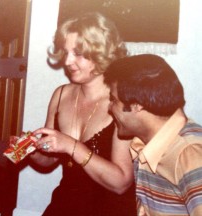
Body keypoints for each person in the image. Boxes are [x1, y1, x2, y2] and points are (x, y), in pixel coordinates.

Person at [31, 12, 136, 215]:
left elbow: (121, 182)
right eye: (66, 51)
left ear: (101, 52)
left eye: (78, 53)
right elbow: (50, 159)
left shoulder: (122, 100)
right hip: (65, 203)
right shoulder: (61, 94)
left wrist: (70, 145)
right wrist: (33, 151)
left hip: (109, 209)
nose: (68, 61)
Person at [104, 54, 202, 215]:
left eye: (114, 100)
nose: (110, 107)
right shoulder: (144, 144)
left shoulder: (190, 154)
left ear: (136, 105)